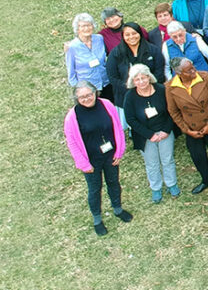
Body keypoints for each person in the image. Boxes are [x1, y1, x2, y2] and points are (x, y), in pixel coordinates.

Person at [64, 81, 132, 236]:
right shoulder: (72, 117)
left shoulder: (106, 105)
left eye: (89, 94)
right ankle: (97, 219)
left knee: (113, 182)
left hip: (110, 156)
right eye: (82, 97)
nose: (87, 99)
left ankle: (117, 209)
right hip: (91, 161)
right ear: (76, 99)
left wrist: (119, 152)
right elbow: (72, 143)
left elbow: (117, 128)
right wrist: (83, 164)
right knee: (95, 189)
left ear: (95, 92)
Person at [165, 57, 208, 203]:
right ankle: (207, 180)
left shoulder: (205, 78)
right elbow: (173, 111)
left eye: (193, 67)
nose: (194, 71)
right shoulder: (170, 87)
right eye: (189, 71)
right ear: (179, 73)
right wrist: (186, 130)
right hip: (191, 129)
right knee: (198, 156)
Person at [123, 64, 179, 203]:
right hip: (145, 135)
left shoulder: (161, 90)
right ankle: (156, 188)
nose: (141, 82)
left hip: (164, 131)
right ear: (133, 81)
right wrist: (150, 135)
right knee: (151, 163)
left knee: (167, 160)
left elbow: (171, 110)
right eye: (137, 79)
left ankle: (171, 184)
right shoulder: (130, 96)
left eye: (143, 78)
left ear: (149, 77)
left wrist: (166, 130)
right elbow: (130, 119)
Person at [106, 22, 164, 110]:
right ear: (123, 36)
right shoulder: (115, 53)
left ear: (140, 33)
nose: (131, 37)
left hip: (151, 94)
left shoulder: (153, 50)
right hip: (125, 98)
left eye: (134, 33)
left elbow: (159, 72)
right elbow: (112, 77)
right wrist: (131, 90)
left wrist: (146, 88)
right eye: (127, 35)